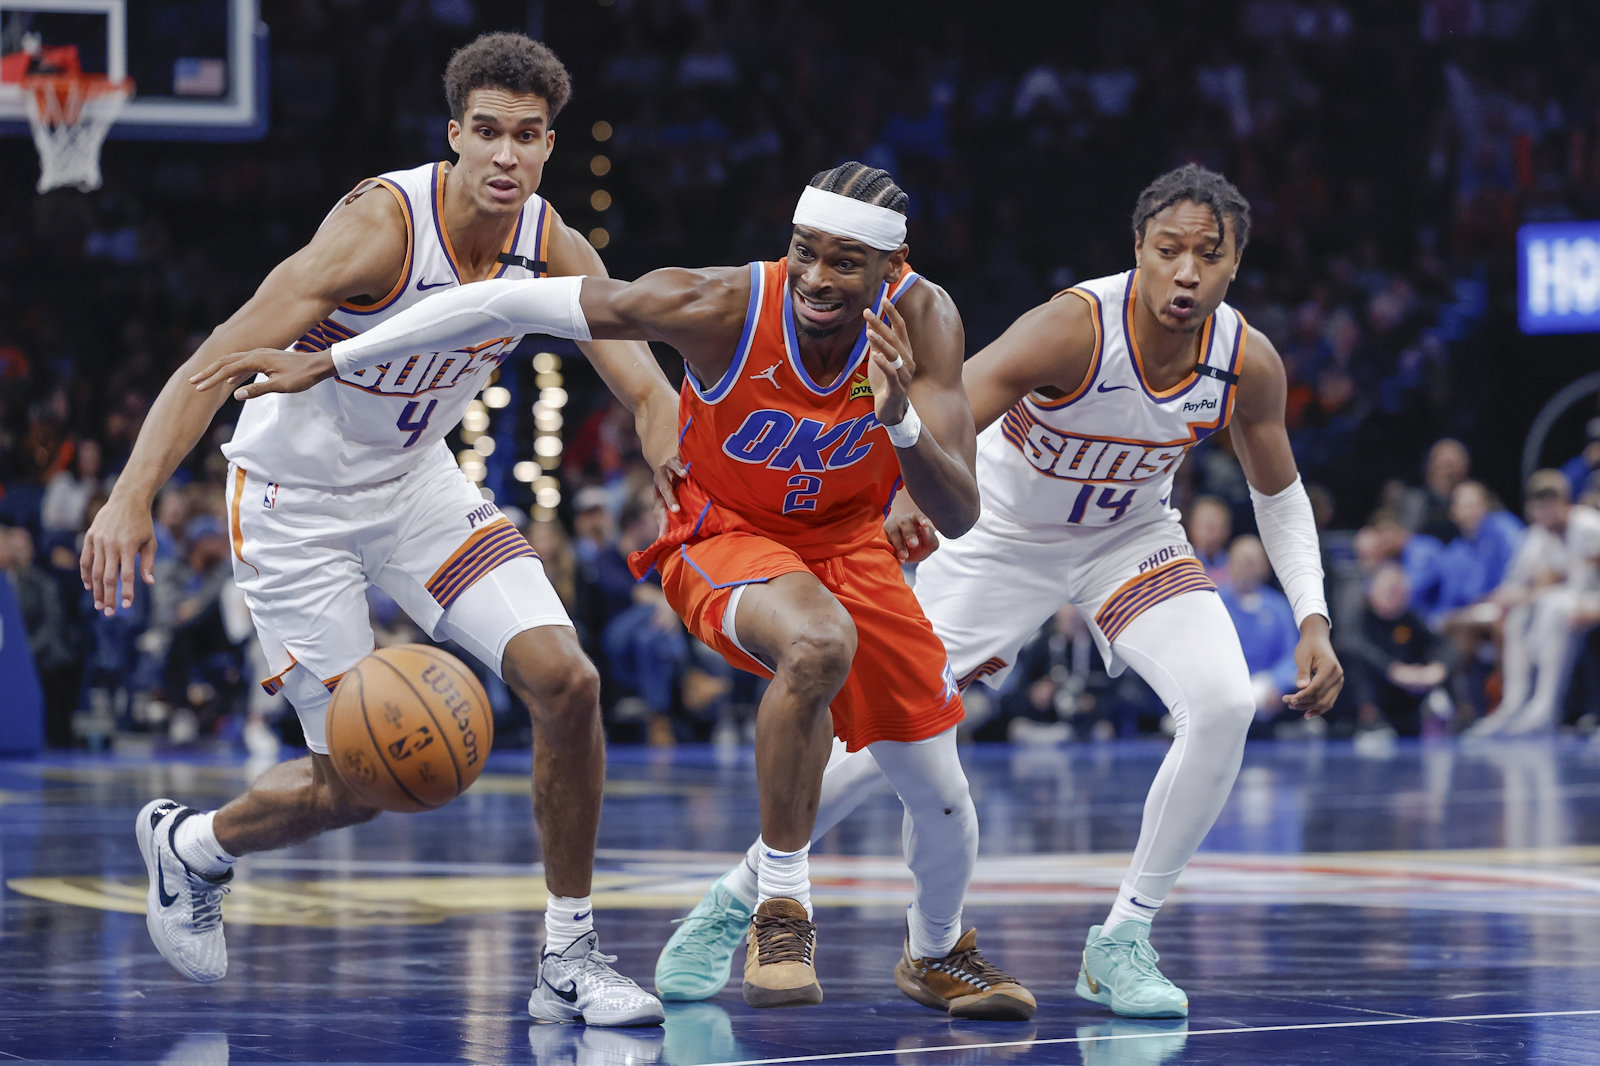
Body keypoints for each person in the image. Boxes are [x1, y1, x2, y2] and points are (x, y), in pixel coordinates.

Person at [197, 161, 1038, 1020]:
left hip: (849, 547)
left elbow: (960, 512)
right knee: (817, 643)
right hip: (725, 537)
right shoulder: (718, 306)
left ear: (891, 271)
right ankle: (782, 908)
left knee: (940, 792)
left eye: (845, 263)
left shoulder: (926, 320)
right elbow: (501, 307)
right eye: (804, 252)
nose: (818, 279)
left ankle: (931, 954)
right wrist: (334, 356)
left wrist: (898, 423)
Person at [80, 33, 677, 1027]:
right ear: (454, 136)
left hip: (415, 487)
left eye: (526, 137)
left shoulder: (548, 239)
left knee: (567, 682)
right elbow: (221, 356)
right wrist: (131, 491)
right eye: (485, 131)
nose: (504, 155)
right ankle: (193, 848)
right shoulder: (377, 229)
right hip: (291, 507)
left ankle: (568, 956)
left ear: (546, 148)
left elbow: (642, 378)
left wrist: (675, 471)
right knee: (364, 782)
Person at [652, 164, 1344, 1020]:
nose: (1187, 272)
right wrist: (906, 495)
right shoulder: (1073, 328)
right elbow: (953, 405)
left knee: (1225, 702)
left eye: (1210, 254)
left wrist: (1311, 613)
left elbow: (1277, 495)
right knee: (877, 754)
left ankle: (1122, 940)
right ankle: (738, 900)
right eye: (1169, 250)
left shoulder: (1247, 362)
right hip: (1000, 541)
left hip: (1130, 541)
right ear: (1139, 251)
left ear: (1237, 263)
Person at [1465, 470, 1600, 737]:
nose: (1545, 515)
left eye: (1551, 507)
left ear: (1566, 503)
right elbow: (1518, 583)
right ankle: (1514, 703)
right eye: (1539, 508)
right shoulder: (1537, 535)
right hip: (1561, 609)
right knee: (1519, 613)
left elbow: (1576, 586)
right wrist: (1511, 597)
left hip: (1590, 604)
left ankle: (1546, 706)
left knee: (1554, 606)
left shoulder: (1590, 527)